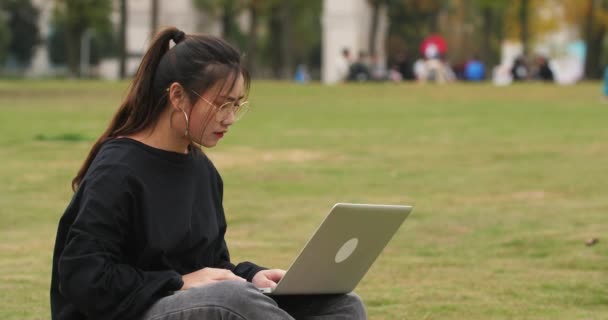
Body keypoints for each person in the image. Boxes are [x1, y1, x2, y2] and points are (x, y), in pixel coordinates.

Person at [50, 27, 366, 320]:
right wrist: (178, 282)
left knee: (342, 304)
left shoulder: (202, 170)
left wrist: (251, 275)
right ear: (177, 96)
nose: (229, 118)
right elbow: (84, 276)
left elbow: (212, 267)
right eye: (221, 104)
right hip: (126, 312)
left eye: (237, 105)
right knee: (234, 300)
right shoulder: (117, 170)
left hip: (184, 301)